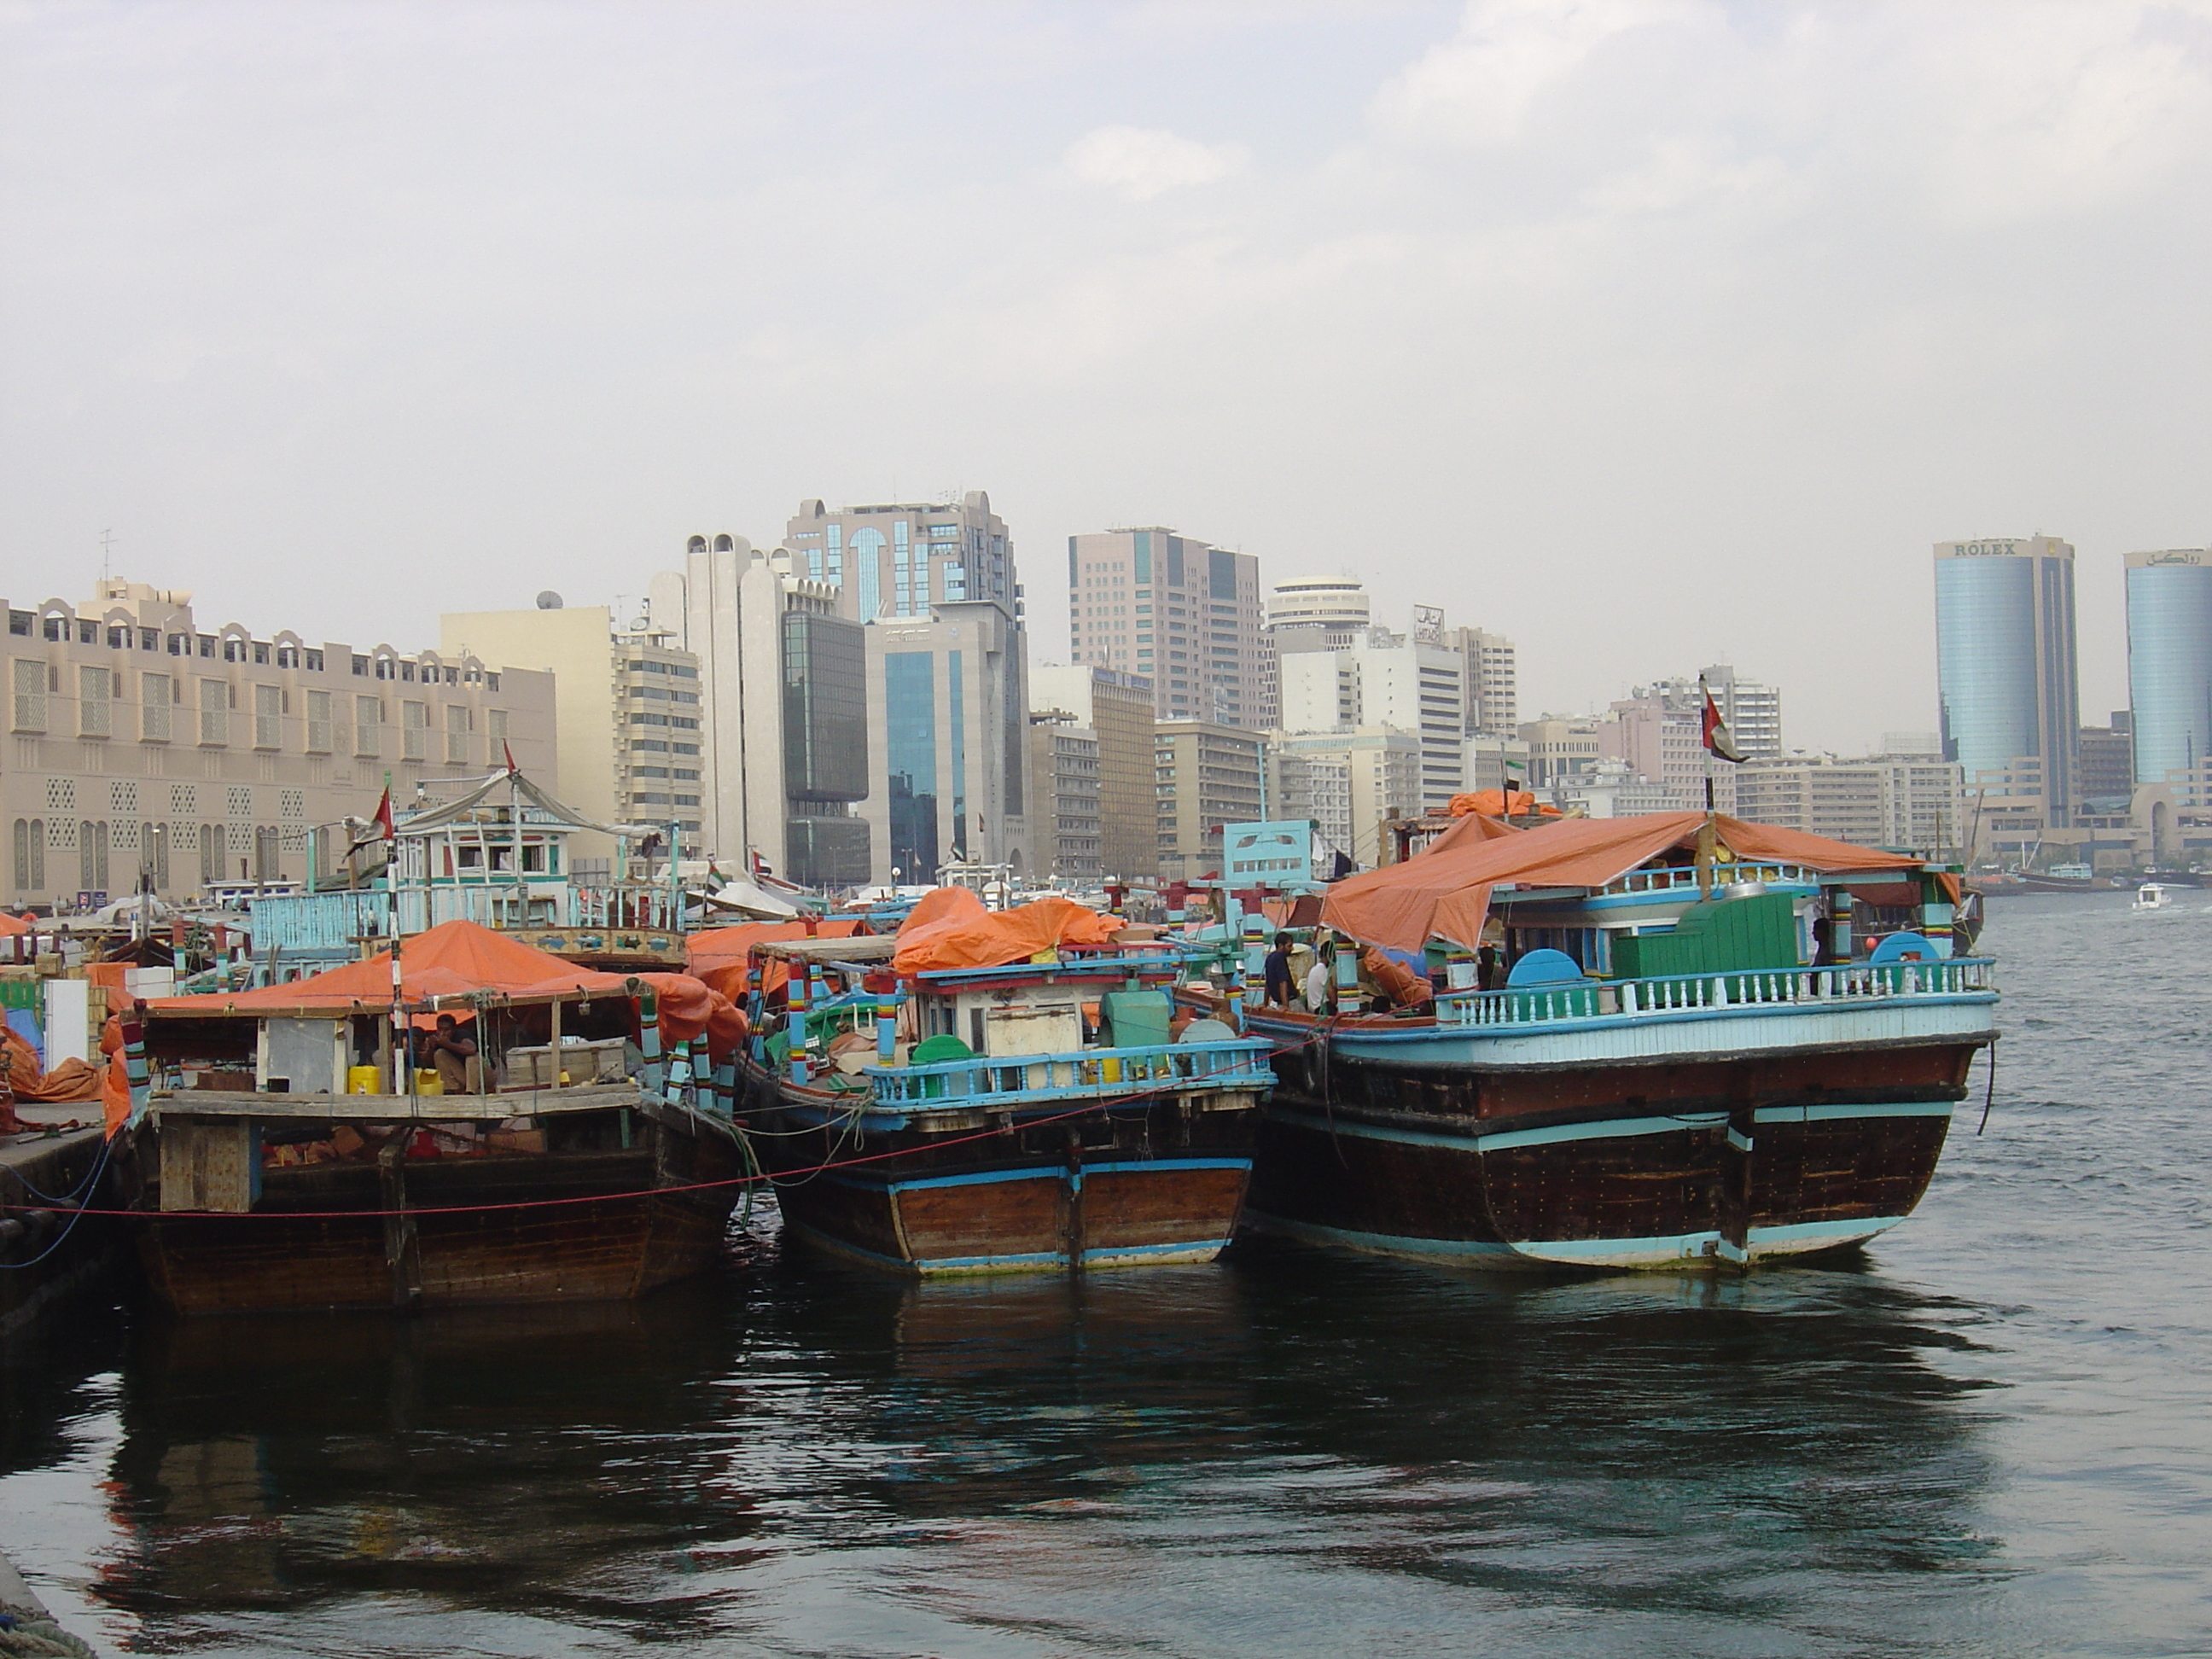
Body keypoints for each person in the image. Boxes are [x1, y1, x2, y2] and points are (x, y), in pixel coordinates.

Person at [424, 1013, 481, 1094]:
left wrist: (448, 1044)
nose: (442, 1033)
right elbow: (427, 1064)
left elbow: (471, 1050)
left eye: (446, 1030)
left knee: (472, 1057)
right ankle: (451, 1089)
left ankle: (471, 1092)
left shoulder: (462, 1034)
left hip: (483, 1076)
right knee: (439, 1054)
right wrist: (430, 1048)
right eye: (440, 1029)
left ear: (454, 1029)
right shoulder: (437, 1039)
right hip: (465, 1077)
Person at [1263, 931, 1296, 1007]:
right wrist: (1285, 1006)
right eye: (1289, 946)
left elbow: (1268, 983)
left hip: (1278, 1003)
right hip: (1290, 1001)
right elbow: (1283, 983)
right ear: (1281, 946)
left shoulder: (1270, 958)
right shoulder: (1280, 958)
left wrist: (1265, 1003)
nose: (1292, 948)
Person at [1304, 942, 1333, 1015]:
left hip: (1313, 1008)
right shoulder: (1322, 970)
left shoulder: (1314, 969)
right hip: (1321, 1009)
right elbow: (1331, 994)